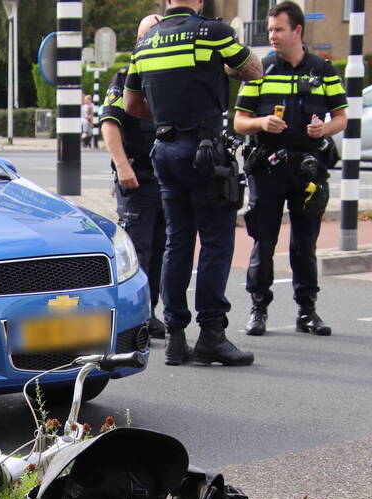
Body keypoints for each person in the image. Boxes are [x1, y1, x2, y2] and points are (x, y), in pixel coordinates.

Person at [124, 0, 262, 367]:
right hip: (204, 151)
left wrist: (168, 116)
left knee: (177, 242)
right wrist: (222, 72)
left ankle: (174, 337)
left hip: (164, 150)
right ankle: (212, 335)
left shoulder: (146, 42)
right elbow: (254, 70)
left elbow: (132, 104)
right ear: (198, 1)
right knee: (216, 242)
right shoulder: (214, 33)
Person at [233, 1, 347, 336]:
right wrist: (261, 122)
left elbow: (341, 116)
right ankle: (258, 310)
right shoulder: (259, 70)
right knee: (263, 241)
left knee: (304, 243)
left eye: (278, 29)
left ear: (297, 30)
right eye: (270, 29)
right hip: (268, 168)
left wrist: (324, 129)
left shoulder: (323, 70)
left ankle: (307, 311)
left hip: (307, 170)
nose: (272, 36)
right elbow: (239, 121)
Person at [99, 14, 167, 340]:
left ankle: (150, 313)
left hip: (168, 180)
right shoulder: (126, 76)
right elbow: (110, 124)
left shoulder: (170, 77)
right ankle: (134, 318)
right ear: (139, 42)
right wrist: (123, 166)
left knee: (162, 252)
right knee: (138, 252)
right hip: (137, 180)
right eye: (146, 35)